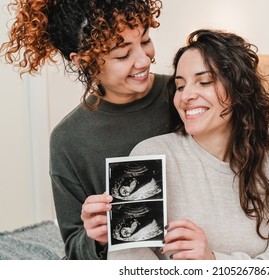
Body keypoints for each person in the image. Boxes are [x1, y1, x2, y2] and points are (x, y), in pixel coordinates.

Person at [110, 29, 269, 260]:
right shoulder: (148, 157)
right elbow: (126, 262)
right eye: (180, 85)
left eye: (204, 81)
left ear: (238, 90)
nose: (186, 96)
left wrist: (213, 262)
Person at [0, 0, 171, 259]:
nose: (143, 59)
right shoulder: (68, 140)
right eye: (122, 54)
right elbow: (74, 249)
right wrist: (96, 236)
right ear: (84, 62)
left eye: (145, 40)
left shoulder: (184, 97)